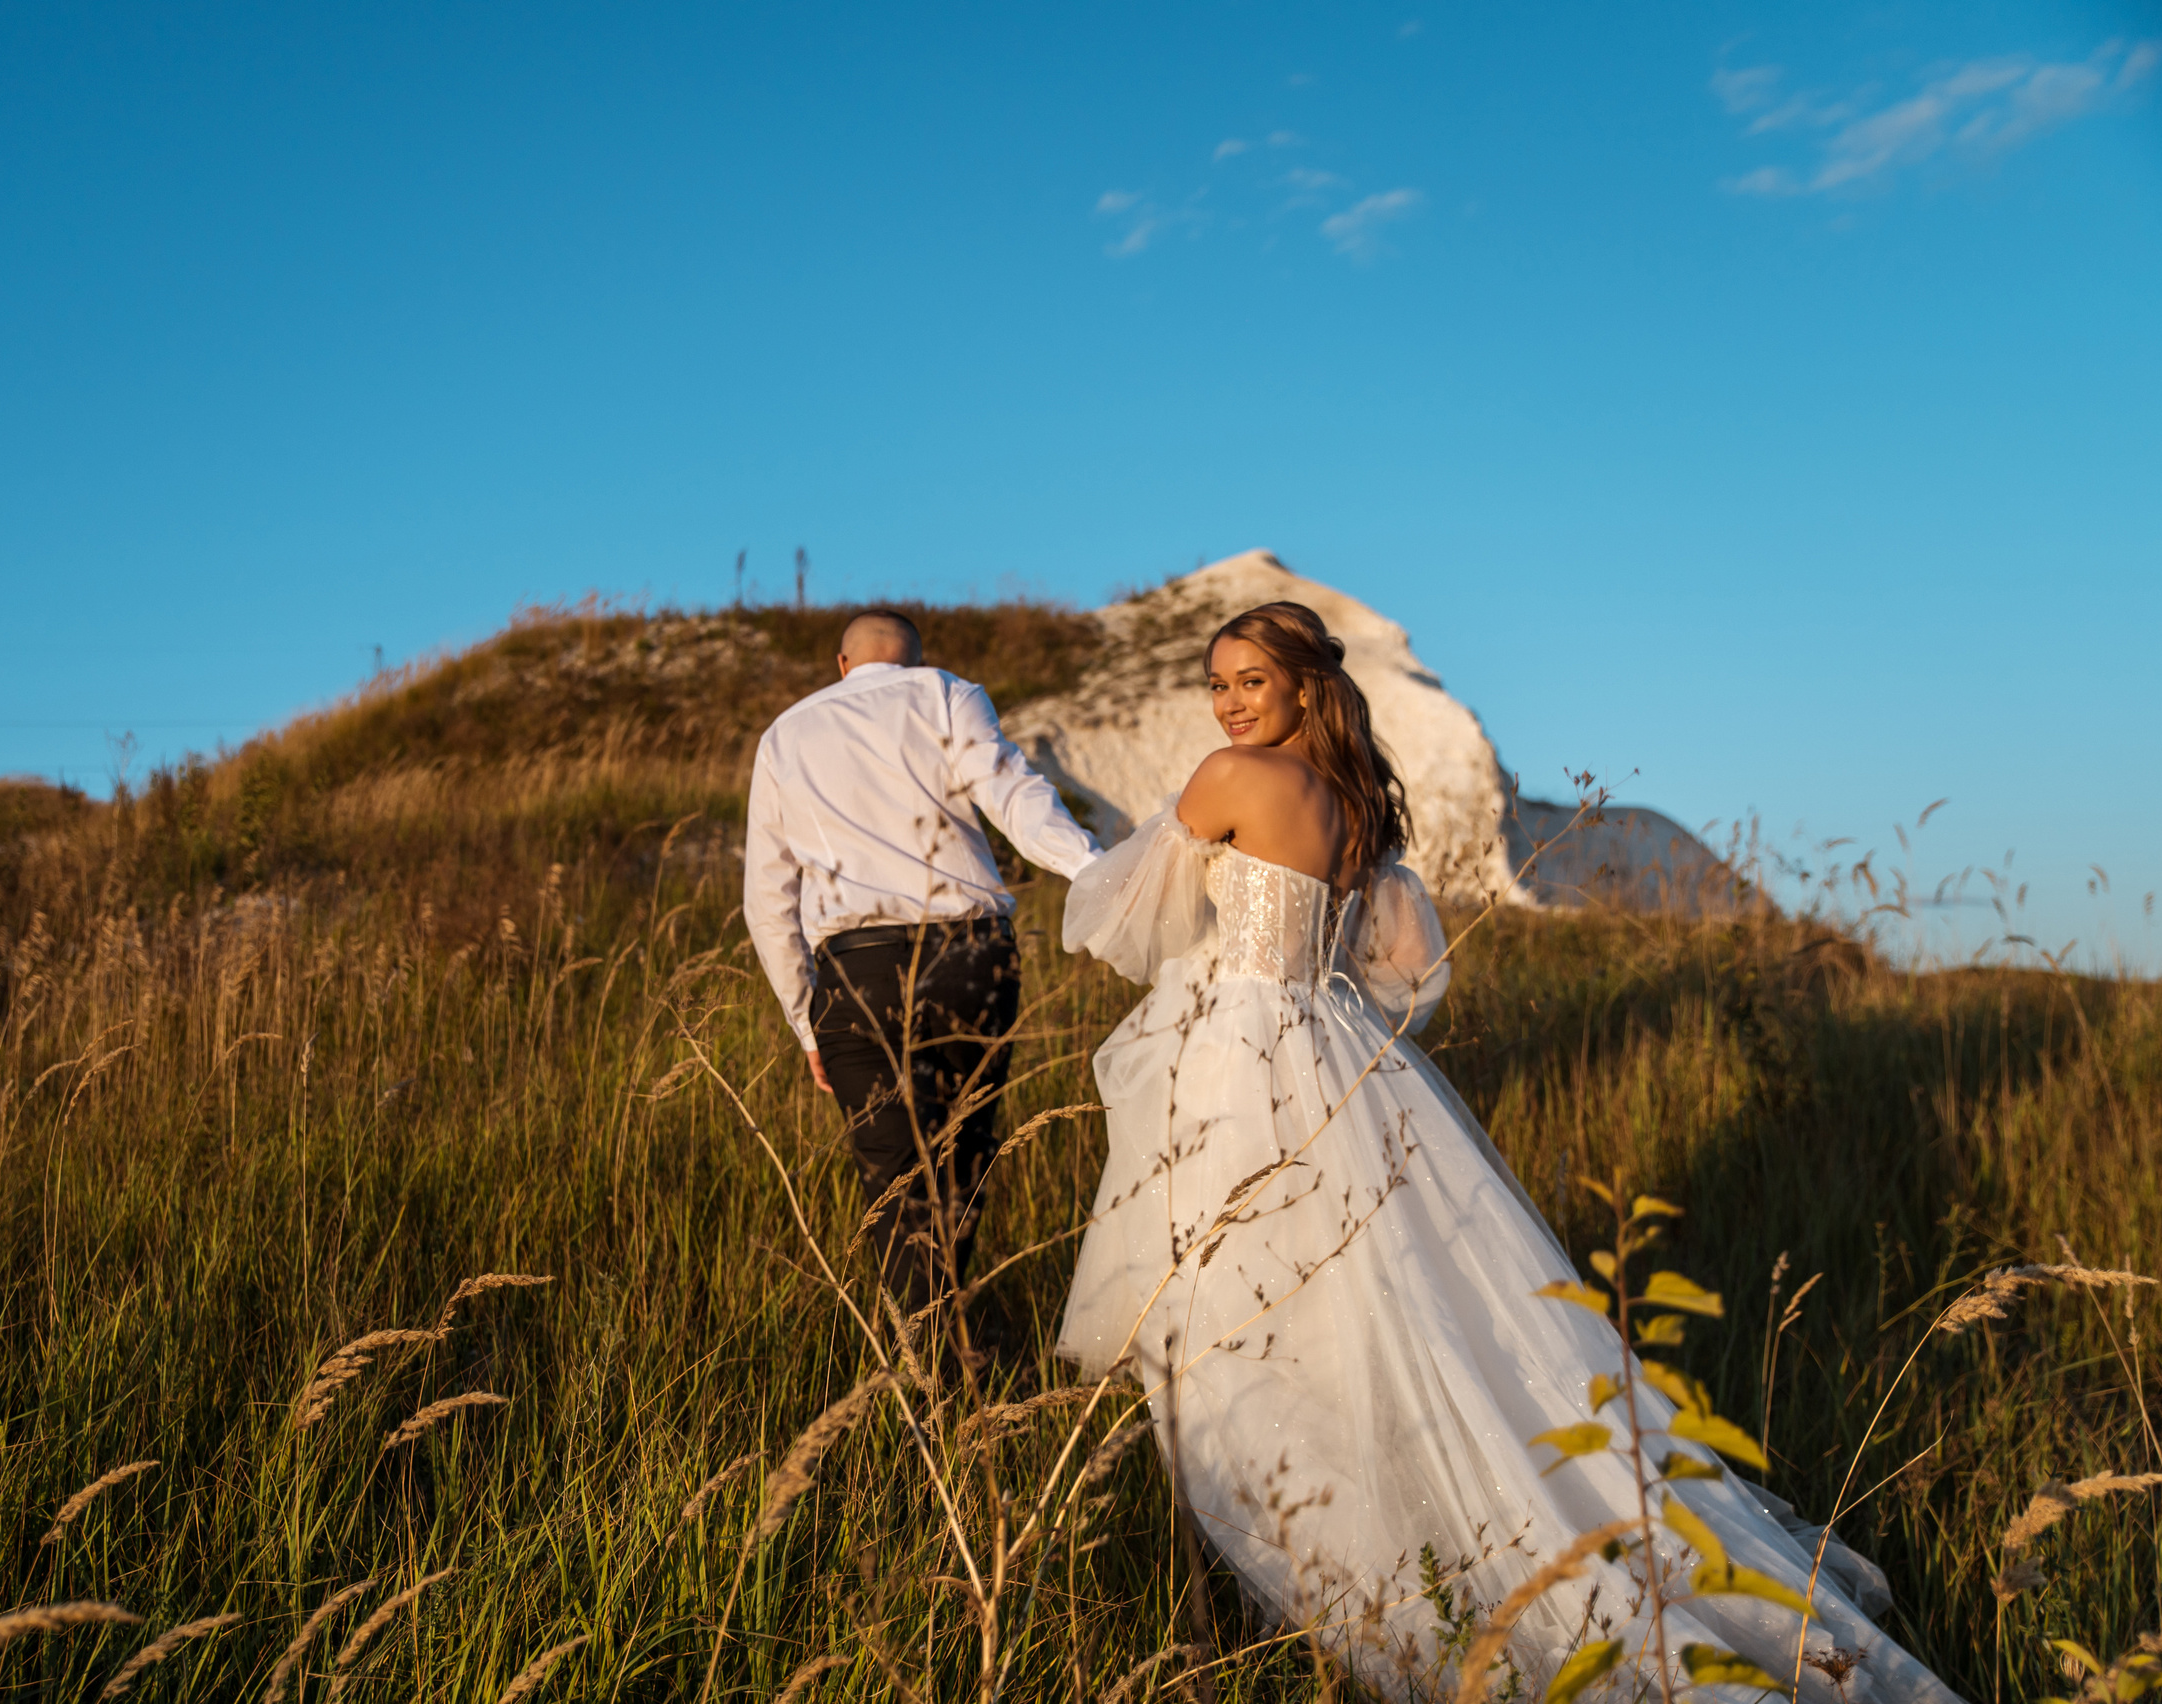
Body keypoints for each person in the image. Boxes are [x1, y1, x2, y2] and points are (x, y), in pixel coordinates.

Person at [1057, 601, 1959, 1702]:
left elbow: (1113, 923)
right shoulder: (1354, 805)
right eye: (1219, 683)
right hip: (1337, 1058)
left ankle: (1272, 1582)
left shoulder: (1224, 780)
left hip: (1238, 1057)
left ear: (1303, 686)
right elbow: (1406, 973)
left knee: (1237, 1314)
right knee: (1379, 1311)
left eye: (1250, 680)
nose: (1230, 701)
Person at [744, 608, 1101, 1319]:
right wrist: (1093, 868)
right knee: (962, 1159)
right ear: (912, 657)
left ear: (841, 663)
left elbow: (767, 898)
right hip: (969, 960)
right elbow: (1014, 796)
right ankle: (944, 1346)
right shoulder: (944, 692)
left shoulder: (785, 734)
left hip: (856, 973)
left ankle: (921, 1371)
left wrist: (807, 1023)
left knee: (893, 1180)